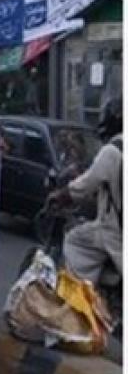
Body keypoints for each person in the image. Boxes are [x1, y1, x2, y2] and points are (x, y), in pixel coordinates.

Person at [53, 98, 123, 287]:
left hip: (115, 231)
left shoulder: (113, 150)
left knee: (74, 240)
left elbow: (84, 185)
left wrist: (63, 196)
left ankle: (84, 294)